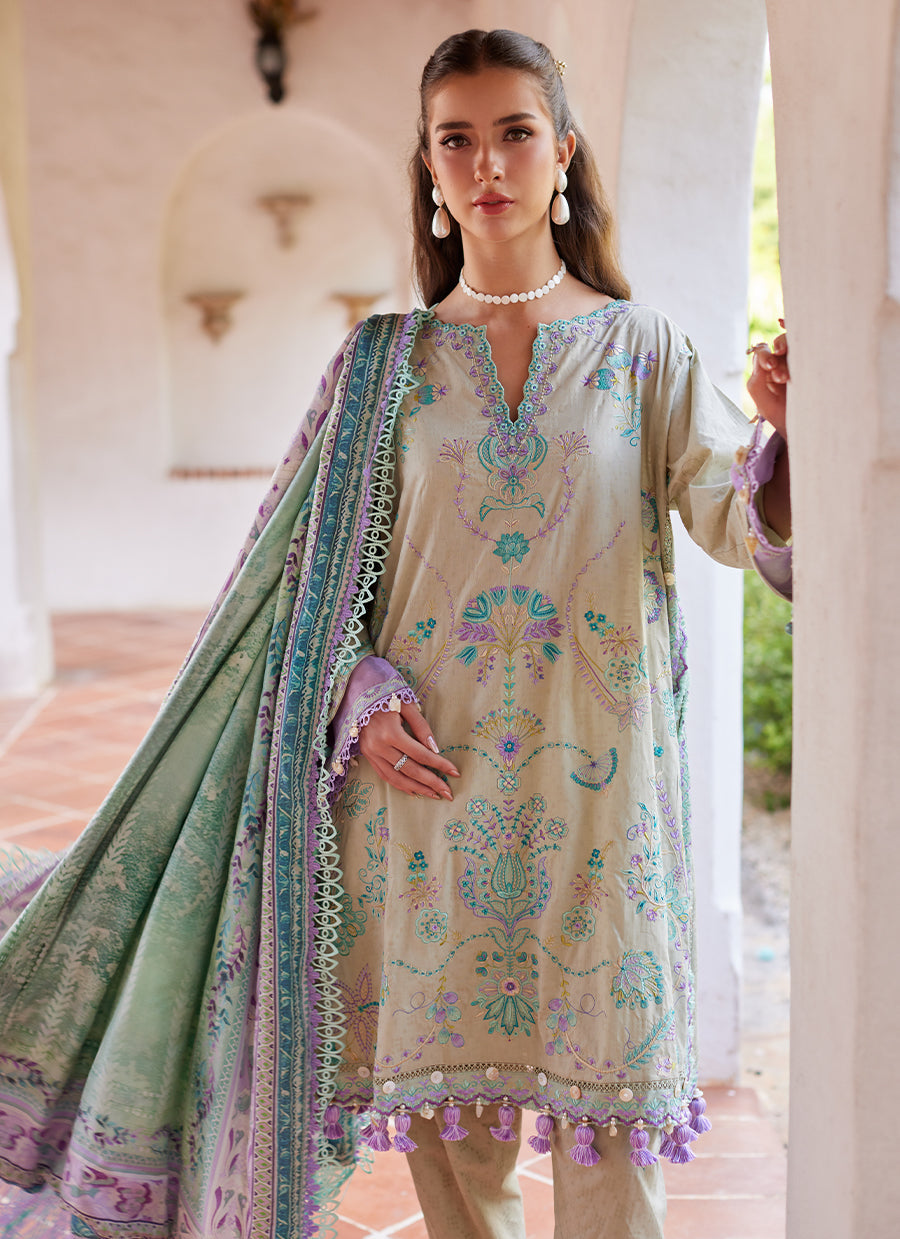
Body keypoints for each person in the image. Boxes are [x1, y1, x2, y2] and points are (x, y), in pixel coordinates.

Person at [0, 27, 791, 1239]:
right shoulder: (382, 366)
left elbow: (742, 520)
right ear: (428, 167)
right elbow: (290, 593)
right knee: (453, 1152)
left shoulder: (646, 353)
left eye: (515, 132)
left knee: (613, 1140)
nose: (488, 164)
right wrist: (356, 693)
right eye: (456, 140)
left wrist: (792, 436)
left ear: (563, 152)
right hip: (426, 795)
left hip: (601, 806)